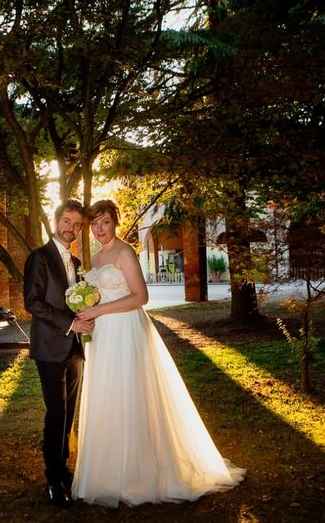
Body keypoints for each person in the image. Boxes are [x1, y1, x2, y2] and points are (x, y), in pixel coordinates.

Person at [72, 199, 245, 507]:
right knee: (108, 397)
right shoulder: (96, 259)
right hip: (103, 336)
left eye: (105, 222)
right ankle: (108, 474)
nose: (99, 229)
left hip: (126, 331)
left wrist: (98, 309)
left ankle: (139, 475)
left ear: (115, 222)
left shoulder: (125, 252)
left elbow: (141, 297)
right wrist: (88, 313)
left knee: (131, 396)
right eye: (94, 224)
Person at [23, 199, 94, 508]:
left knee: (69, 412)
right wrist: (70, 323)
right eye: (67, 221)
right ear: (55, 222)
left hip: (75, 349)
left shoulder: (76, 264)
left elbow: (77, 301)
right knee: (56, 413)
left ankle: (63, 467)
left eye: (77, 224)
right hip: (50, 347)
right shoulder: (39, 258)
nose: (72, 229)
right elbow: (33, 302)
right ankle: (53, 478)